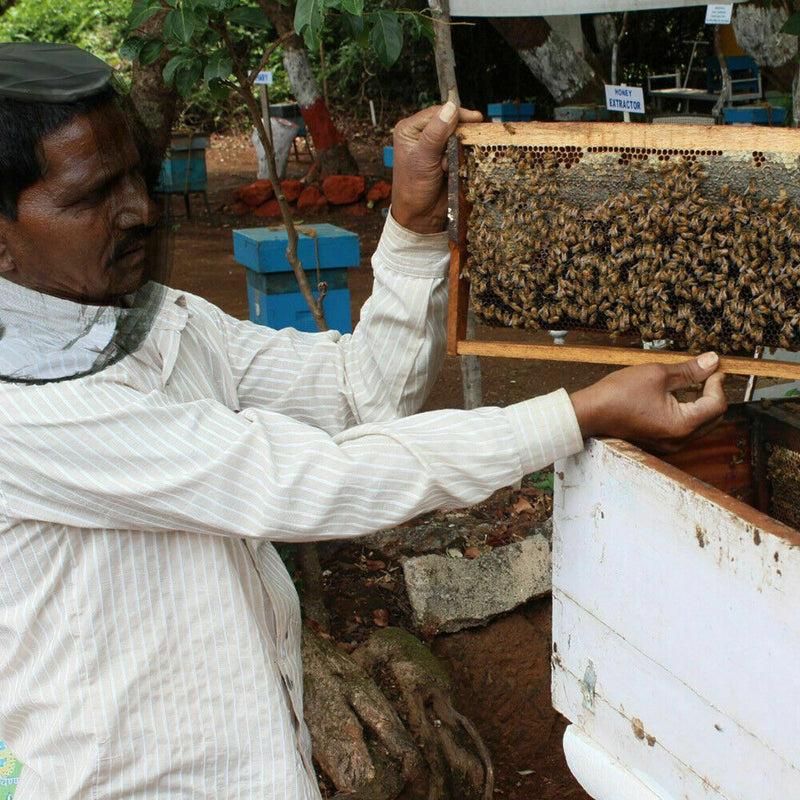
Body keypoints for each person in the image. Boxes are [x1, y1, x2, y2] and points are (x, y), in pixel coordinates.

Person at [0, 42, 726, 800]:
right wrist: (575, 414)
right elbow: (308, 479)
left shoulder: (163, 322)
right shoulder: (22, 415)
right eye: (90, 197)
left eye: (137, 179)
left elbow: (356, 393)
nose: (141, 211)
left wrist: (411, 224)